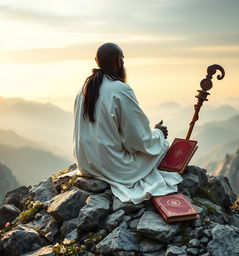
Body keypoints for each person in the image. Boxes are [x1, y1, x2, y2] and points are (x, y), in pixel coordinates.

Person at [72, 43, 182, 204]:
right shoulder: (120, 90)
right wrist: (158, 133)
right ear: (119, 62)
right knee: (162, 145)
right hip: (112, 167)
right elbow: (137, 141)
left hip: (85, 165)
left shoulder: (84, 88)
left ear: (96, 60)